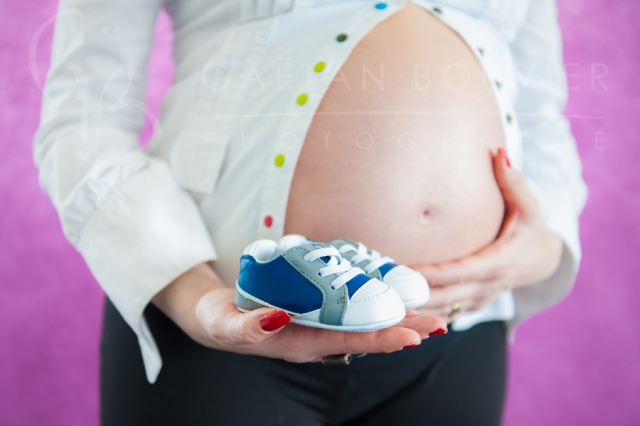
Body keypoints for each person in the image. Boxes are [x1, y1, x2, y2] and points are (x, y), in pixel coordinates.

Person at [34, 0, 587, 425]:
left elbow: (541, 115)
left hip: (456, 333)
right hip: (212, 324)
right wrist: (198, 301)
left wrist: (547, 241)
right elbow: (83, 123)